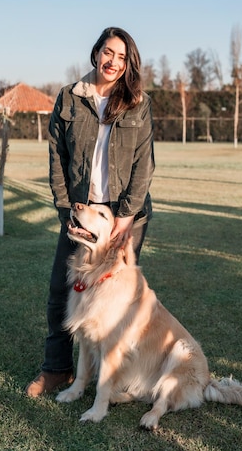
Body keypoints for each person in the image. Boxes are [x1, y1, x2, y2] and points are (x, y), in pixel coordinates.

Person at [26, 26, 155, 397]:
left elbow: (144, 164)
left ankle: (109, 376)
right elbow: (57, 158)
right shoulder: (69, 97)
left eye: (122, 56)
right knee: (61, 291)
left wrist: (126, 217)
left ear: (128, 63)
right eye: (108, 52)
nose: (113, 62)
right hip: (81, 212)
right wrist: (66, 208)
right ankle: (57, 370)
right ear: (96, 52)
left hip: (124, 213)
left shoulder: (138, 102)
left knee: (113, 299)